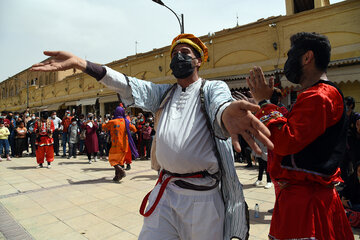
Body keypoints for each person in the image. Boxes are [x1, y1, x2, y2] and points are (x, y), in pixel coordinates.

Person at [31, 33, 273, 240]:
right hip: (165, 192)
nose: (178, 57)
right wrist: (82, 64)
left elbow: (221, 106)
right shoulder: (164, 94)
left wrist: (226, 114)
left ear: (198, 60)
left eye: (185, 52)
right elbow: (127, 84)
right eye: (174, 54)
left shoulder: (212, 88)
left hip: (203, 199)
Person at [246, 32, 353, 239]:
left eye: (290, 55)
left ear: (307, 58)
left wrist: (264, 104)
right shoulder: (315, 96)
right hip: (303, 199)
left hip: (308, 205)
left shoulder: (319, 96)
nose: (288, 62)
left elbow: (286, 141)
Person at [102, 106, 138, 181]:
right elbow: (134, 129)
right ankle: (117, 176)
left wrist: (104, 122)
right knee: (120, 161)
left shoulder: (112, 122)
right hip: (124, 145)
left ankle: (121, 171)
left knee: (112, 160)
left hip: (116, 145)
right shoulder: (126, 121)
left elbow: (104, 128)